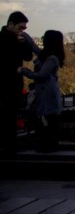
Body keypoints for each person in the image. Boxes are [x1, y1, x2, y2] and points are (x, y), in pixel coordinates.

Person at [19, 30, 65, 153]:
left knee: (49, 120)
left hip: (47, 92)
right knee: (50, 119)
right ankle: (50, 144)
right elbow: (35, 48)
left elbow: (40, 75)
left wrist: (24, 71)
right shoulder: (52, 57)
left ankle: (47, 144)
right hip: (48, 91)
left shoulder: (51, 58)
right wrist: (25, 35)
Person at [1, 11, 39, 156]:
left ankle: (9, 144)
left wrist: (23, 44)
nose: (22, 31)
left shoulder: (17, 39)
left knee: (10, 113)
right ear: (10, 24)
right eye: (20, 27)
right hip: (7, 80)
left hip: (14, 81)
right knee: (7, 114)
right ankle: (9, 145)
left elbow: (27, 56)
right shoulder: (4, 39)